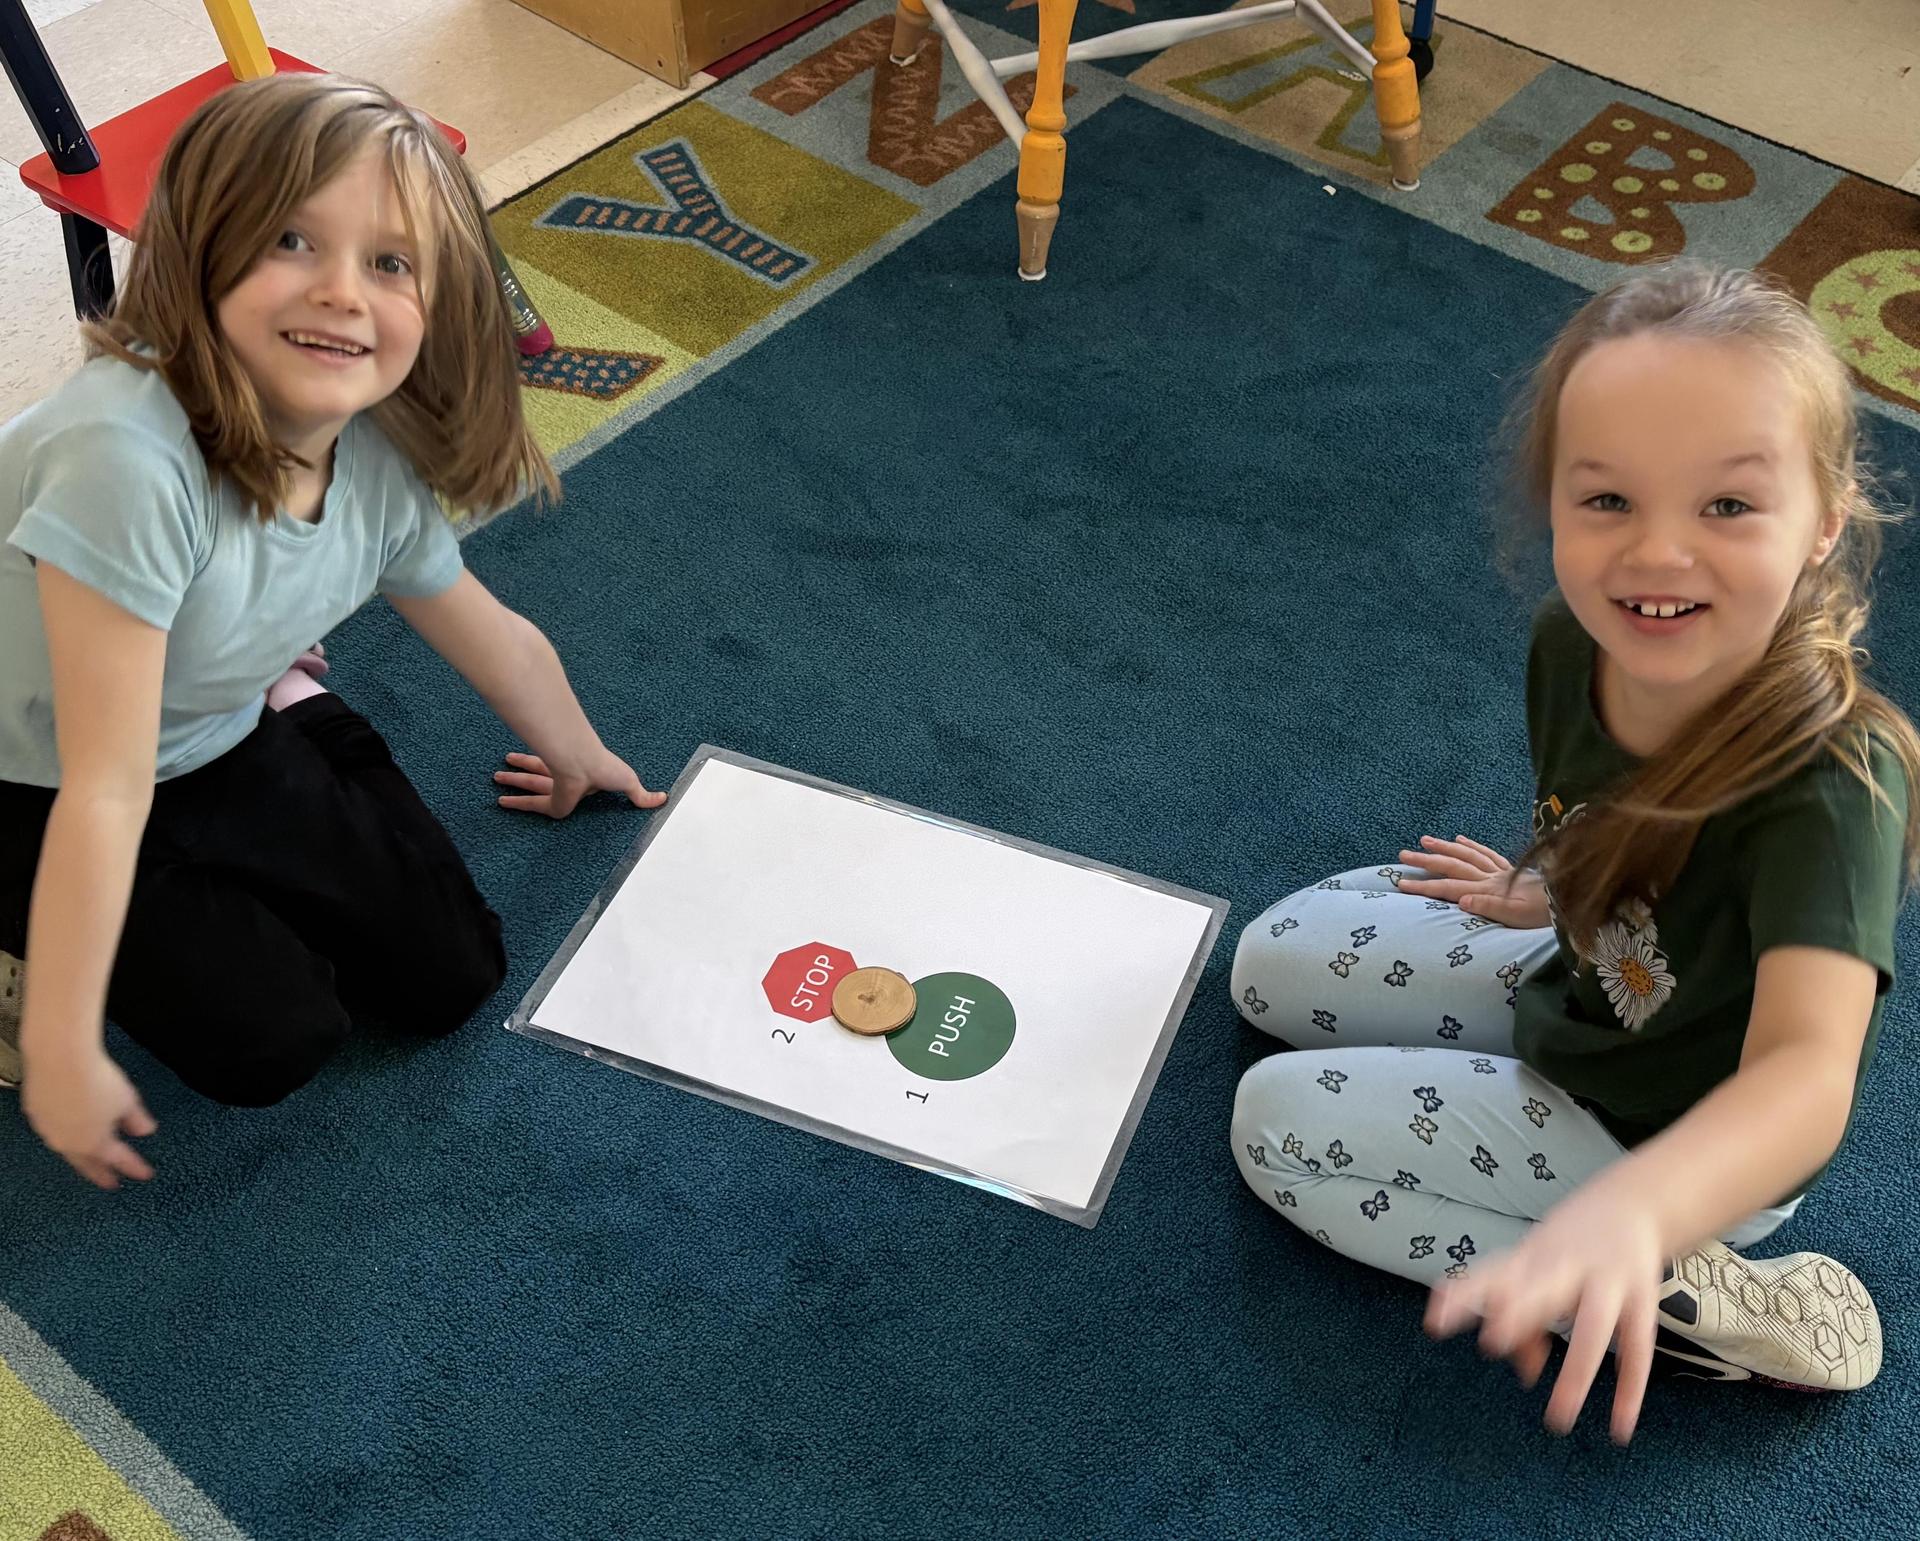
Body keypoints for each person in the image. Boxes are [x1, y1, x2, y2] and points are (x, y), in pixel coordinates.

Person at [1229, 262, 1915, 1444]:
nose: (1658, 554)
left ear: (1825, 521)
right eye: (1608, 499)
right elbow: (1611, 804)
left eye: (1727, 505)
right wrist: (1551, 884)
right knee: (1265, 964)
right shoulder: (1573, 640)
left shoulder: (1835, 785)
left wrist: (1642, 1208)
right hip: (1586, 987)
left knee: (1273, 1126)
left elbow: (1808, 1073)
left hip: (1675, 1147)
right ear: (1554, 498)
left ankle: (1666, 1287)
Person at [0, 74, 664, 1190]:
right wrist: (65, 1039)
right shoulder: (122, 458)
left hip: (205, 718)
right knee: (272, 1043)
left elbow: (488, 629)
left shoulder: (373, 445)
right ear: (200, 248)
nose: (343, 291)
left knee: (453, 975)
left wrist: (577, 753)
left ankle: (277, 682)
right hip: (34, 772)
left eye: (392, 262)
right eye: (292, 240)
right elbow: (104, 788)